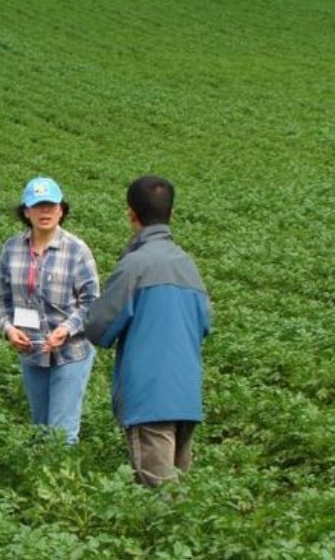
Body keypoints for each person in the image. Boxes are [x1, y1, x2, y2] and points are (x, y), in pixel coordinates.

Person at [84, 175, 212, 487]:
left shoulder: (135, 265)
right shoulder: (188, 265)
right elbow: (206, 322)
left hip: (149, 398)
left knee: (158, 496)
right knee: (177, 490)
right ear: (172, 214)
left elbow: (99, 328)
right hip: (185, 395)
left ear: (131, 214)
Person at [0, 176, 99, 445]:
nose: (45, 212)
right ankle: (43, 483)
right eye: (38, 206)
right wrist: (8, 330)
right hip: (33, 352)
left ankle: (62, 485)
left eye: (51, 206)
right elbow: (2, 300)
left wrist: (66, 329)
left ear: (61, 210)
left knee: (61, 433)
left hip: (71, 352)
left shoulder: (76, 250)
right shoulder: (11, 248)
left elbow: (92, 301)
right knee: (40, 429)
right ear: (26, 211)